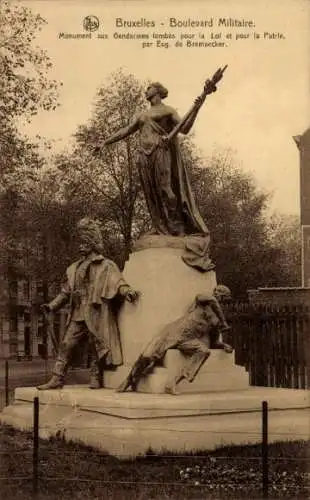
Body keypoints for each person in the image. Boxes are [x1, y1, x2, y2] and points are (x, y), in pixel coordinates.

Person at [98, 81, 216, 236]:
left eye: (149, 88)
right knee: (150, 192)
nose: (146, 91)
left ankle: (176, 224)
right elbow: (126, 130)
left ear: (158, 91)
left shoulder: (168, 111)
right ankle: (159, 225)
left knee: (166, 189)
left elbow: (185, 129)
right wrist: (105, 142)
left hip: (160, 151)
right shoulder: (141, 115)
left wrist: (196, 109)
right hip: (143, 155)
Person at [37, 217, 139, 390]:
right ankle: (57, 377)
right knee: (67, 343)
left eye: (84, 242)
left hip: (96, 312)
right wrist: (52, 306)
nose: (80, 245)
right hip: (77, 313)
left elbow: (117, 282)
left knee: (96, 345)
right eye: (79, 241)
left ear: (92, 243)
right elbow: (65, 292)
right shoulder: (74, 268)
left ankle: (95, 375)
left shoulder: (106, 265)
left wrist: (126, 291)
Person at [117, 284, 233, 395]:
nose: (218, 296)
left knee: (204, 351)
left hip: (188, 339)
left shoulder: (216, 322)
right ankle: (129, 380)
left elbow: (214, 342)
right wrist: (223, 320)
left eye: (222, 296)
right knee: (148, 355)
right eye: (217, 292)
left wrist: (223, 345)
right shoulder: (203, 301)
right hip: (174, 332)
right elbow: (208, 298)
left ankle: (174, 382)